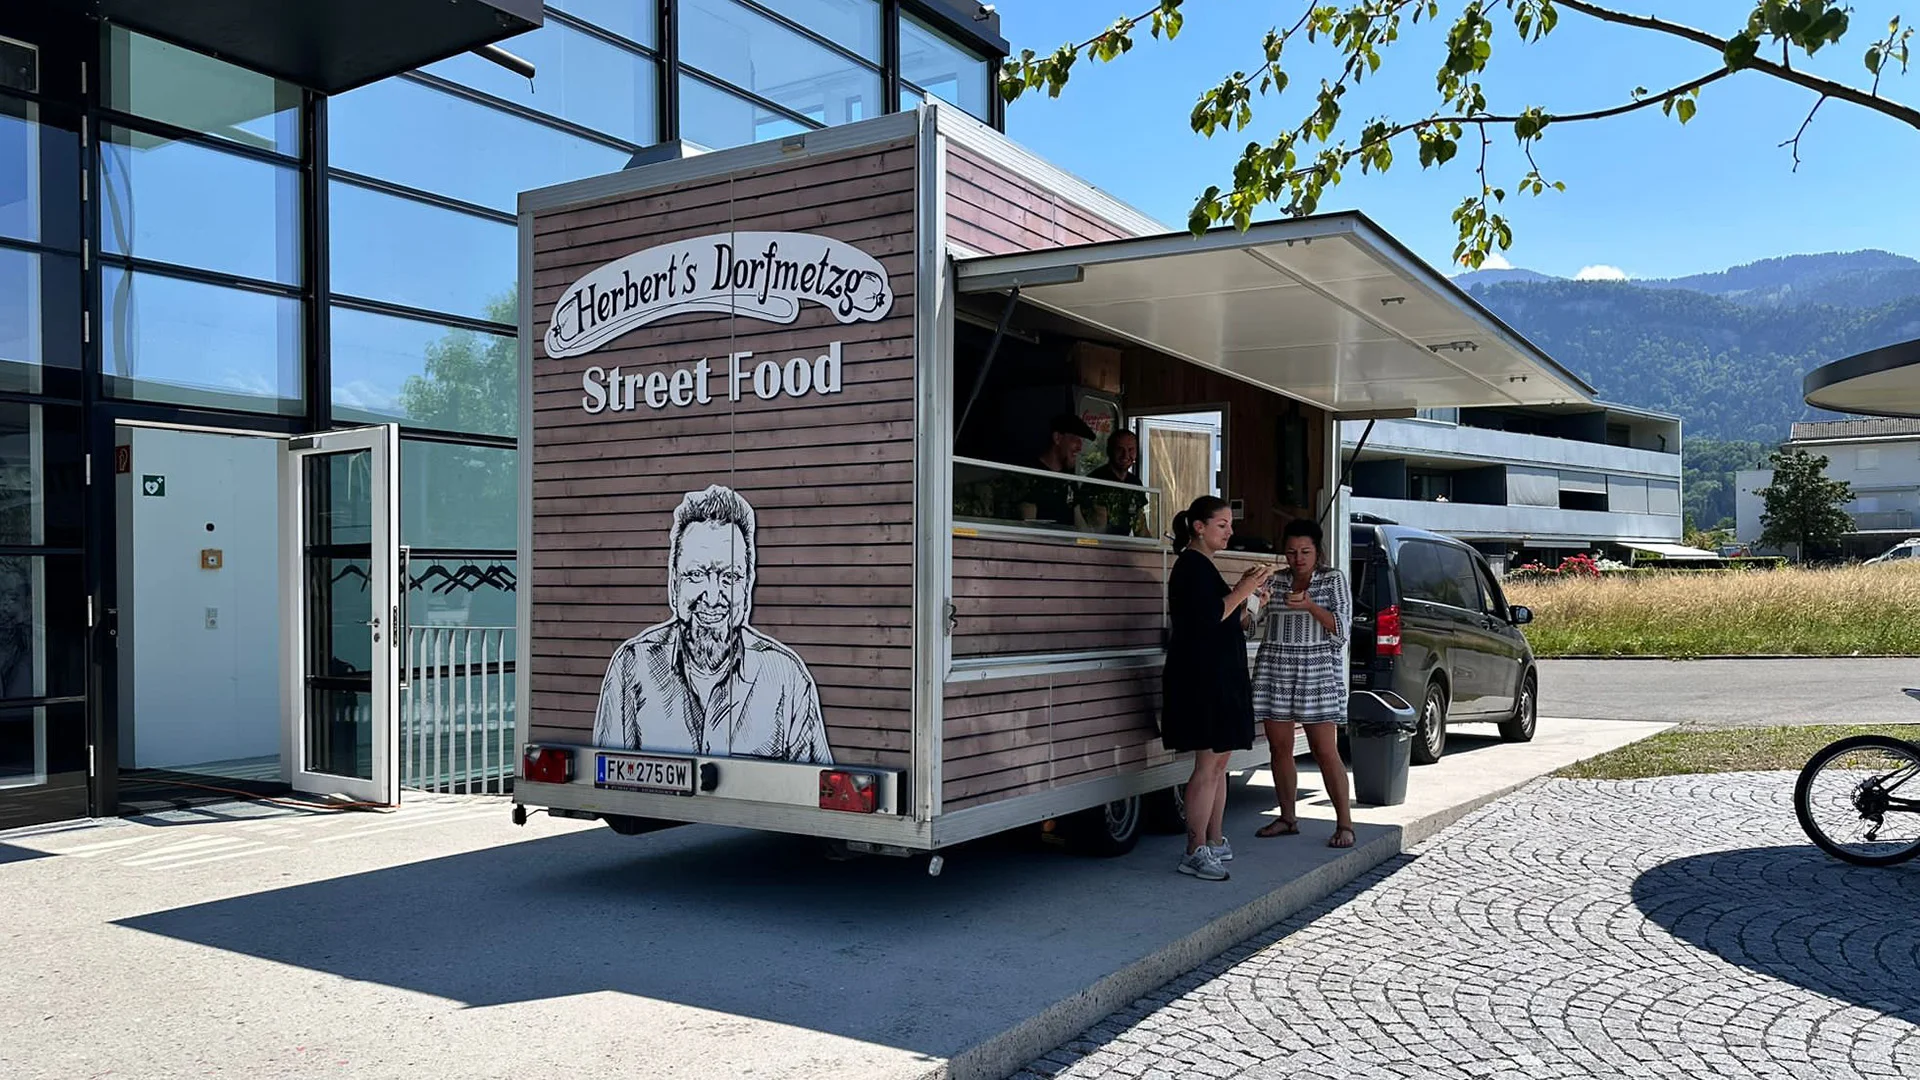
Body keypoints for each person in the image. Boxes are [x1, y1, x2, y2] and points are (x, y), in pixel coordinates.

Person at [593, 484, 833, 764]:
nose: (713, 597)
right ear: (674, 582)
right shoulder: (631, 666)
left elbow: (813, 783)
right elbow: (607, 774)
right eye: (696, 574)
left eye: (729, 577)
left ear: (748, 585)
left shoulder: (787, 678)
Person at [1162, 495, 1275, 881]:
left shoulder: (1205, 567)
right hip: (1201, 678)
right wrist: (1244, 587)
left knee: (1221, 763)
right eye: (1222, 525)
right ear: (1199, 527)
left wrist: (1254, 600)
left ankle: (1214, 839)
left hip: (1222, 674)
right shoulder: (1189, 566)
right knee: (1208, 764)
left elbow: (1231, 619)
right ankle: (1194, 849)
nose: (1229, 532)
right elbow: (1209, 616)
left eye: (1230, 525)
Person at [1250, 518, 1356, 848]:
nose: (1298, 558)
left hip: (1317, 669)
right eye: (1292, 552)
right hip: (1275, 667)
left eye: (1305, 551)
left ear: (1317, 551)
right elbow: (1250, 623)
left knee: (1325, 750)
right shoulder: (1276, 580)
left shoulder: (1333, 579)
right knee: (1279, 748)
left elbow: (1342, 629)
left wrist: (1310, 605)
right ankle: (1287, 817)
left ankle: (1345, 824)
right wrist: (1251, 598)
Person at [1024, 413, 1097, 526]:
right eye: (1076, 439)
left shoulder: (1069, 479)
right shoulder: (1029, 475)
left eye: (1082, 442)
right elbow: (1027, 525)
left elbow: (1078, 521)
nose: (1080, 447)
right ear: (1057, 438)